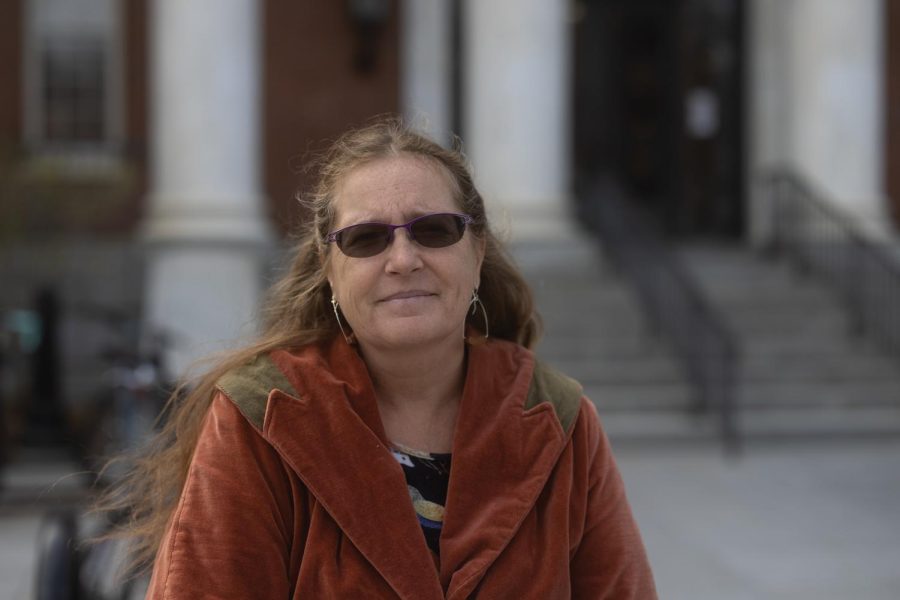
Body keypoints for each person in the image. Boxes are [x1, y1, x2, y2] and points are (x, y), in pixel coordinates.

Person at [104, 119, 657, 598]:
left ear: (477, 248)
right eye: (366, 239)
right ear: (329, 266)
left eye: (433, 230)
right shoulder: (262, 419)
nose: (403, 259)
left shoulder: (559, 421)